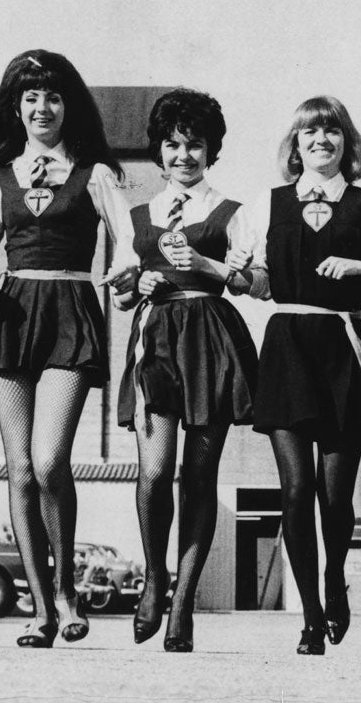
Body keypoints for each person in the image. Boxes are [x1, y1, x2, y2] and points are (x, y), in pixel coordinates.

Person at [0, 49, 134, 648]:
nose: (42, 107)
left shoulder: (97, 174)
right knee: (17, 468)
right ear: (16, 106)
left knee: (49, 460)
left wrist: (130, 275)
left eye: (54, 96)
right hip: (10, 316)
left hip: (70, 312)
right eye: (31, 96)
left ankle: (67, 590)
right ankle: (39, 608)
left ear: (70, 107)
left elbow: (128, 247)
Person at [230, 96, 361, 655]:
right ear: (294, 145)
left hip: (343, 345)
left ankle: (334, 583)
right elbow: (258, 278)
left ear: (348, 142)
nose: (321, 139)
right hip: (287, 347)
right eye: (309, 132)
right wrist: (239, 277)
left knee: (335, 496)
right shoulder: (265, 205)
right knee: (296, 490)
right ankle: (310, 617)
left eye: (332, 131)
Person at [118, 88, 261, 653]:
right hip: (154, 342)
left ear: (211, 150)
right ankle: (155, 578)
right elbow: (122, 295)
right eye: (173, 145)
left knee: (198, 476)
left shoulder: (232, 212)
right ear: (159, 150)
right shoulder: (137, 215)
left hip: (210, 342)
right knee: (155, 472)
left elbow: (257, 282)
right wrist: (138, 284)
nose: (183, 155)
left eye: (194, 145)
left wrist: (207, 265)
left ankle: (183, 604)